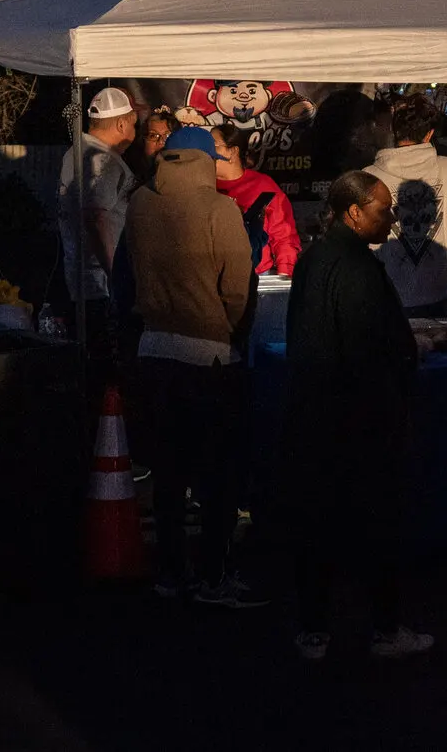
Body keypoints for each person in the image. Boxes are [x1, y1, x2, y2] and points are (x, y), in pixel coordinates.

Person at [285, 172, 431, 660]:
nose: (391, 221)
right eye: (382, 210)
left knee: (317, 525)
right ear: (354, 212)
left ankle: (314, 630)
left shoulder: (313, 262)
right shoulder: (358, 269)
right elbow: (375, 346)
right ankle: (386, 629)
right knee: (377, 525)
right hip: (362, 418)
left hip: (316, 415)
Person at [126, 125, 262, 606]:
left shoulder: (139, 203)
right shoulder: (218, 208)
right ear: (206, 162)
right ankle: (214, 577)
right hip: (206, 356)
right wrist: (227, 331)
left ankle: (170, 572)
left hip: (152, 350)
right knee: (218, 477)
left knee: (168, 475)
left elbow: (126, 273)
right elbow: (238, 289)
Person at [366, 94, 447, 311]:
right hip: (436, 292)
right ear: (429, 134)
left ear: (394, 131)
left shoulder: (369, 177)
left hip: (385, 296)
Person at [58, 87, 140, 315]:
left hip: (80, 276)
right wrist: (116, 273)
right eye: (133, 124)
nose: (136, 130)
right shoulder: (102, 159)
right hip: (100, 283)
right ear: (122, 124)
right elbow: (95, 217)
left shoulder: (75, 152)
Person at [213, 122, 302, 277]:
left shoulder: (263, 186)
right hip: (213, 280)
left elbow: (284, 237)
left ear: (232, 152)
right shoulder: (202, 186)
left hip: (257, 277)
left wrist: (283, 280)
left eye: (213, 145)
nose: (206, 152)